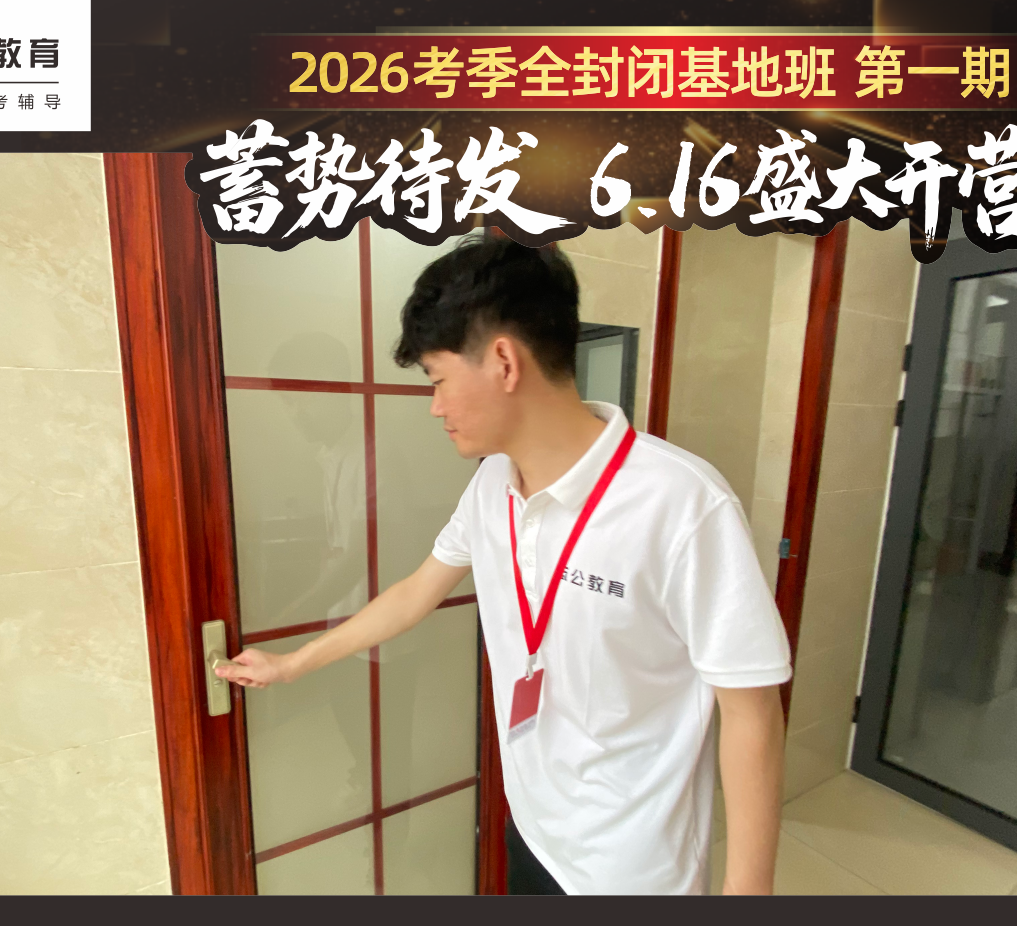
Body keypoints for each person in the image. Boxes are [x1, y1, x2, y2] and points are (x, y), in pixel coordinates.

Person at [217, 234, 792, 895]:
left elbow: (751, 711)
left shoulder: (682, 503)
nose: (434, 406)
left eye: (437, 380)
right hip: (533, 826)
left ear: (502, 362)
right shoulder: (492, 483)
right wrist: (293, 663)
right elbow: (415, 592)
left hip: (632, 867)